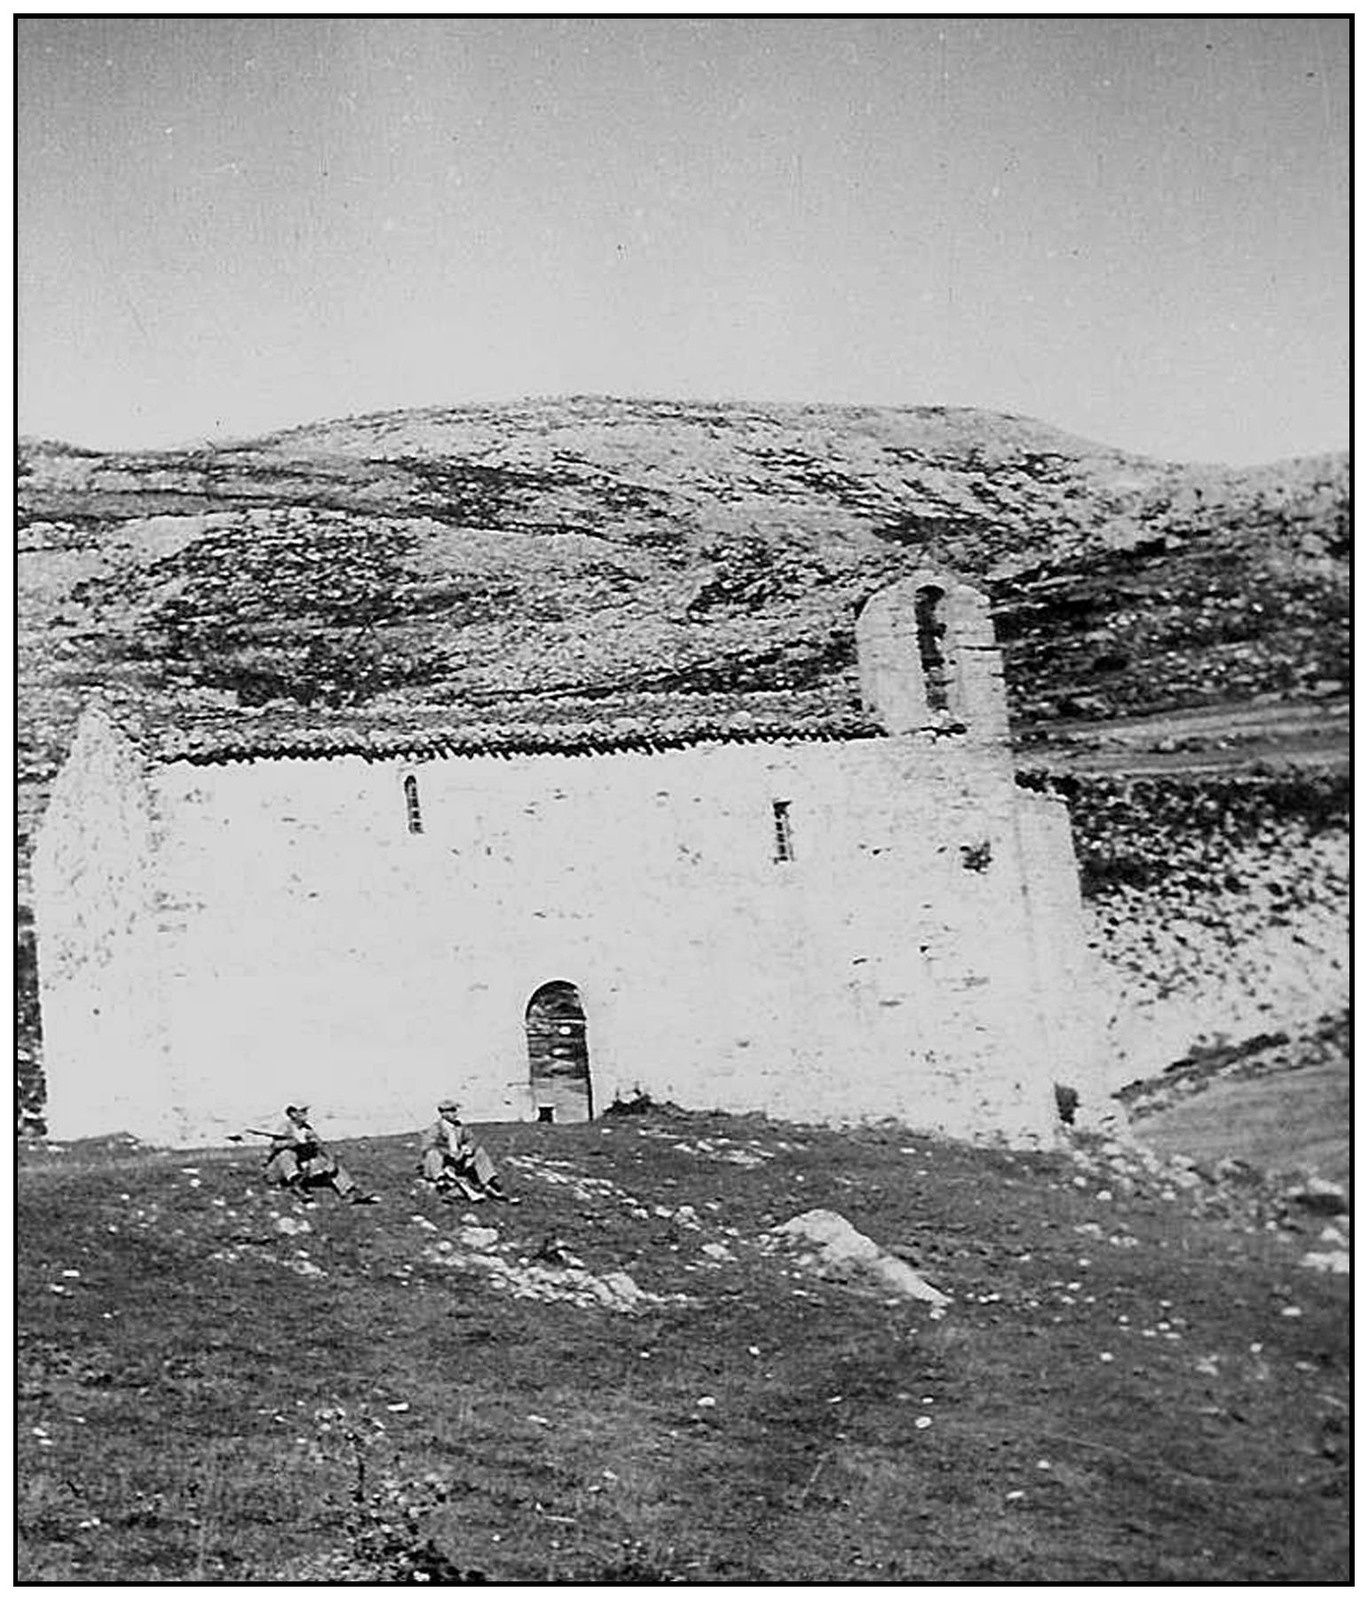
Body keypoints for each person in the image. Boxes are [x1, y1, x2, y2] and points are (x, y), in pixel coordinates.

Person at [262, 1103, 377, 1204]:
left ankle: (350, 1192)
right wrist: (291, 1143)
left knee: (331, 1165)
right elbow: (275, 1146)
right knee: (286, 1154)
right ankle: (297, 1186)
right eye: (301, 1111)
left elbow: (320, 1146)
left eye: (305, 1111)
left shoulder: (307, 1129)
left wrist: (329, 1160)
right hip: (280, 1170)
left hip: (302, 1166)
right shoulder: (284, 1127)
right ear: (292, 1114)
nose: (305, 1114)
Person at [420, 1099, 517, 1203]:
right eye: (451, 1111)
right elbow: (427, 1147)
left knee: (479, 1151)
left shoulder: (460, 1127)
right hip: (444, 1161)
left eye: (455, 1110)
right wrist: (449, 1153)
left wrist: (468, 1148)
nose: (455, 1113)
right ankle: (441, 1180)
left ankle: (488, 1181)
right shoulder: (435, 1128)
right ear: (443, 1113)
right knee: (433, 1153)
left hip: (460, 1158)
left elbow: (471, 1139)